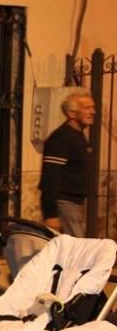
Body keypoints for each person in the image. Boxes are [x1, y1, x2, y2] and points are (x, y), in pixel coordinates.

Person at [39, 91, 96, 237]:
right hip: (64, 203)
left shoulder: (78, 136)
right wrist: (50, 214)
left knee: (74, 249)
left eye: (92, 107)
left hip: (74, 203)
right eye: (87, 108)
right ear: (72, 113)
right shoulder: (61, 138)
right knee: (75, 248)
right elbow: (51, 176)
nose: (93, 112)